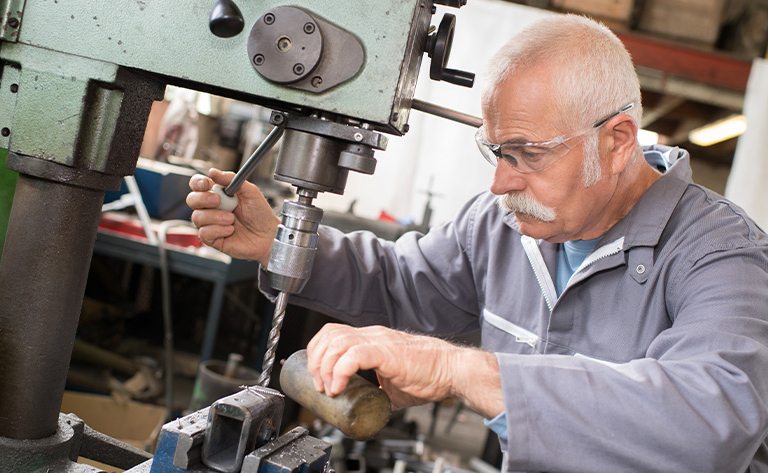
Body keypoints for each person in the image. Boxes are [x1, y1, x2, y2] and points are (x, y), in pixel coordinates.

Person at [187, 14, 768, 472]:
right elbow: (398, 282)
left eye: (527, 154)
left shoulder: (721, 256)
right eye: (495, 152)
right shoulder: (503, 224)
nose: (500, 183)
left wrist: (458, 370)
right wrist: (278, 245)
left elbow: (710, 423)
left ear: (617, 142)